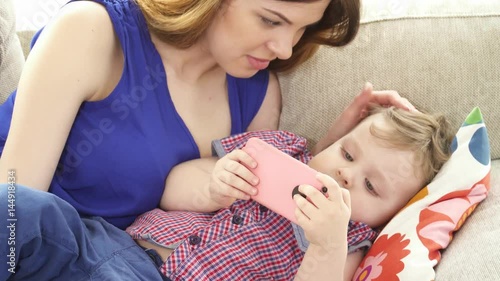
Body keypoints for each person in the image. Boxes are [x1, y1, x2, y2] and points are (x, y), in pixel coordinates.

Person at [0, 0, 414, 279]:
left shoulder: (256, 92)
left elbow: (262, 216)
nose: (286, 48)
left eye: (301, 28)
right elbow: (15, 200)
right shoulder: (91, 32)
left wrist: (340, 146)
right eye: (272, 20)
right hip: (38, 243)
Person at [128, 105, 454, 281]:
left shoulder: (349, 243)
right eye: (347, 154)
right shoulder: (281, 148)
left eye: (371, 186)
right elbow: (170, 189)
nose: (345, 174)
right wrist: (213, 188)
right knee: (74, 229)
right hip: (125, 248)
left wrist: (326, 245)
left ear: (390, 217)